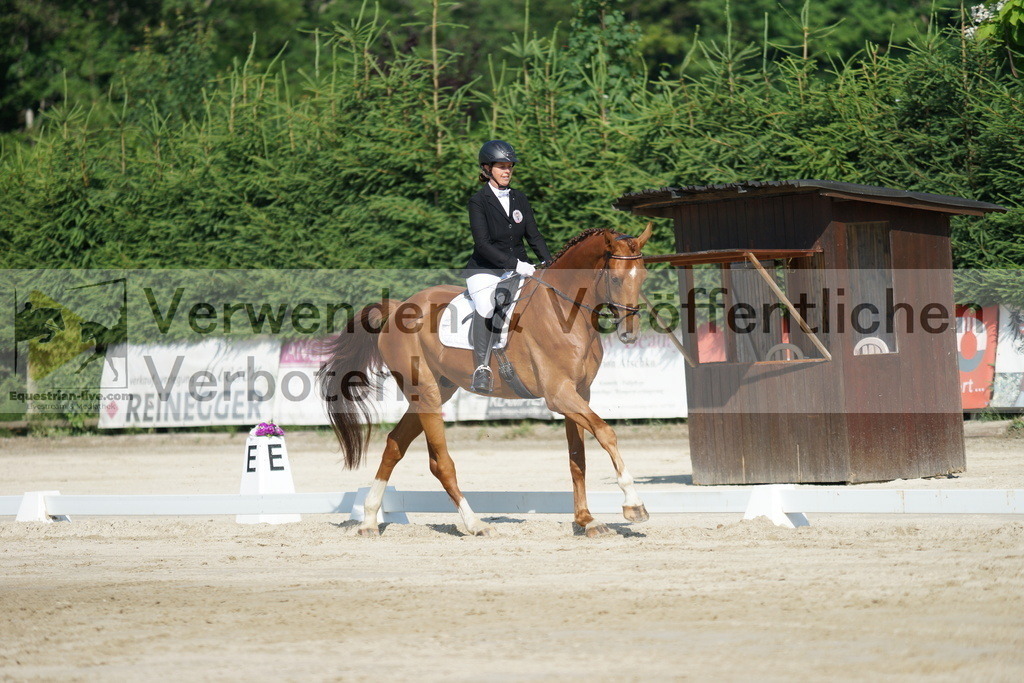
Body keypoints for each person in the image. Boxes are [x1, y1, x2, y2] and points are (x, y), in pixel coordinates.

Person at [461, 139, 553, 393]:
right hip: (485, 269)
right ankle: (482, 367)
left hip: (518, 268)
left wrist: (550, 263)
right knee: (487, 304)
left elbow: (534, 236)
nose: (507, 171)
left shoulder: (519, 198)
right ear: (487, 168)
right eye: (502, 166)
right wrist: (515, 264)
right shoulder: (478, 202)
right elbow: (482, 244)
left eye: (510, 166)